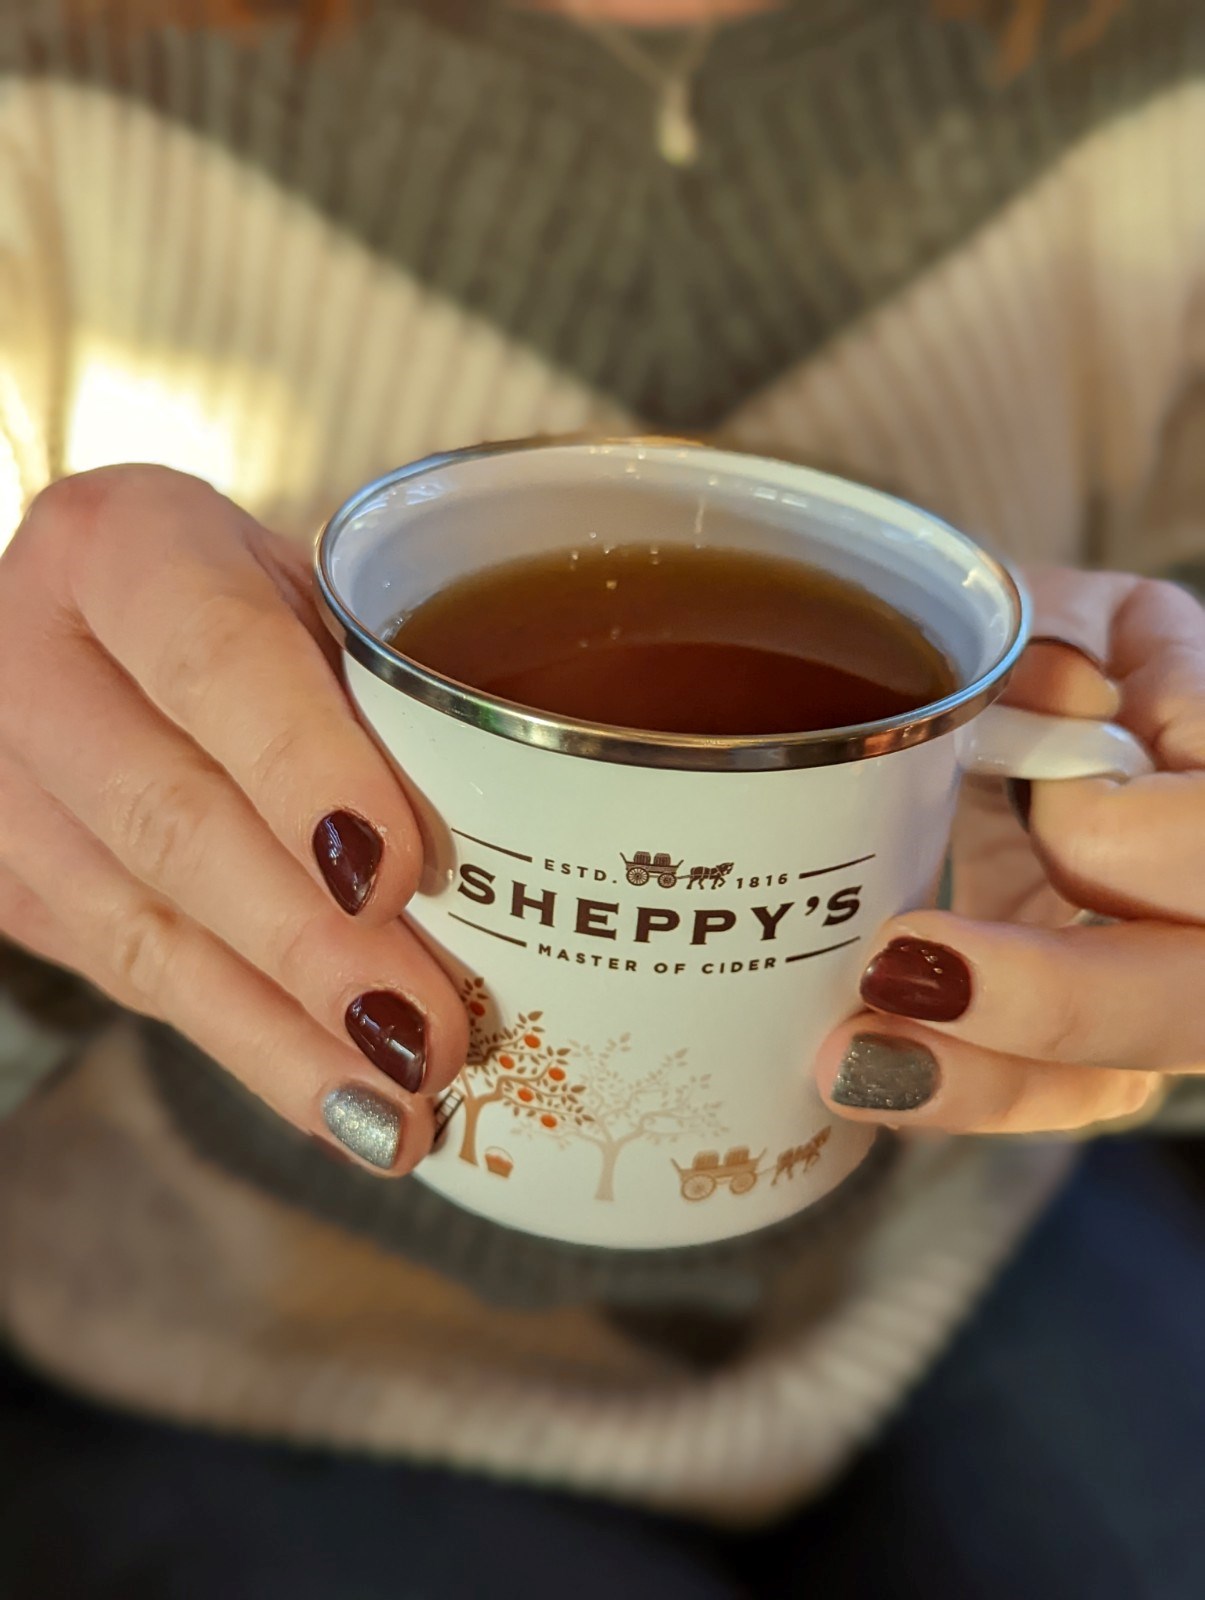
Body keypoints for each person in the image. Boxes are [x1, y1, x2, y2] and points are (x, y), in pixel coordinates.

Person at [0, 1, 1203, 1594]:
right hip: (253, 1338)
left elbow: (1136, 813)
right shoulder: (58, 80)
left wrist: (1138, 936)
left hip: (963, 1250)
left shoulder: (1156, 77)